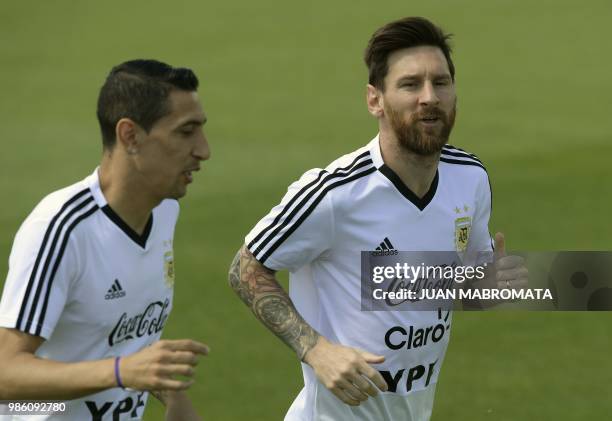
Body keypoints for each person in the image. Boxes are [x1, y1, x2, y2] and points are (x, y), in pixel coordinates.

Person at [228, 17, 526, 421]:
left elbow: (454, 280)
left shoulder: (470, 179)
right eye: (410, 84)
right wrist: (317, 351)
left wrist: (487, 284)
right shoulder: (333, 194)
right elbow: (245, 268)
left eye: (440, 83)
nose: (429, 97)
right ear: (375, 100)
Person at [0, 59, 210, 420]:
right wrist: (119, 372)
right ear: (130, 135)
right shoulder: (61, 228)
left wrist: (174, 397)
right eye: (185, 132)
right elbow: (5, 373)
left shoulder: (162, 212)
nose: (204, 150)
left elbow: (120, 331)